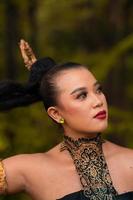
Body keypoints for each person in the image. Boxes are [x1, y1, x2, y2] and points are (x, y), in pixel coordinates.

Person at [0, 40, 133, 200]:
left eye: (98, 90)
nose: (98, 101)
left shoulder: (130, 161)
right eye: (81, 96)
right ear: (56, 114)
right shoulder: (30, 169)